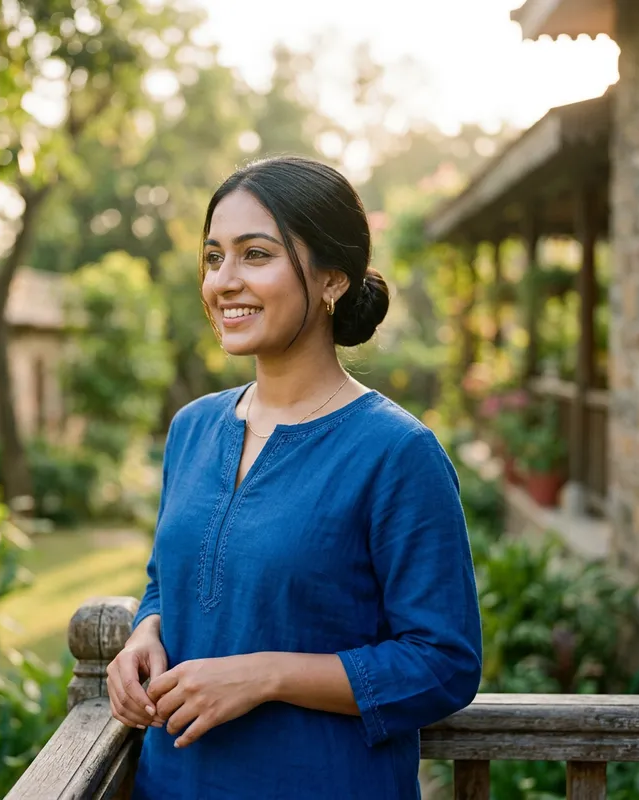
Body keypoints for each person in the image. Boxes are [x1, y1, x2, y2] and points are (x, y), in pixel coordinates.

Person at [106, 155, 482, 799]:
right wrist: (146, 630)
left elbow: (443, 663)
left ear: (332, 279)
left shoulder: (397, 452)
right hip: (172, 784)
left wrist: (265, 676)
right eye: (214, 256)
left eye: (255, 254)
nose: (224, 281)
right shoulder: (192, 429)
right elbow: (167, 582)